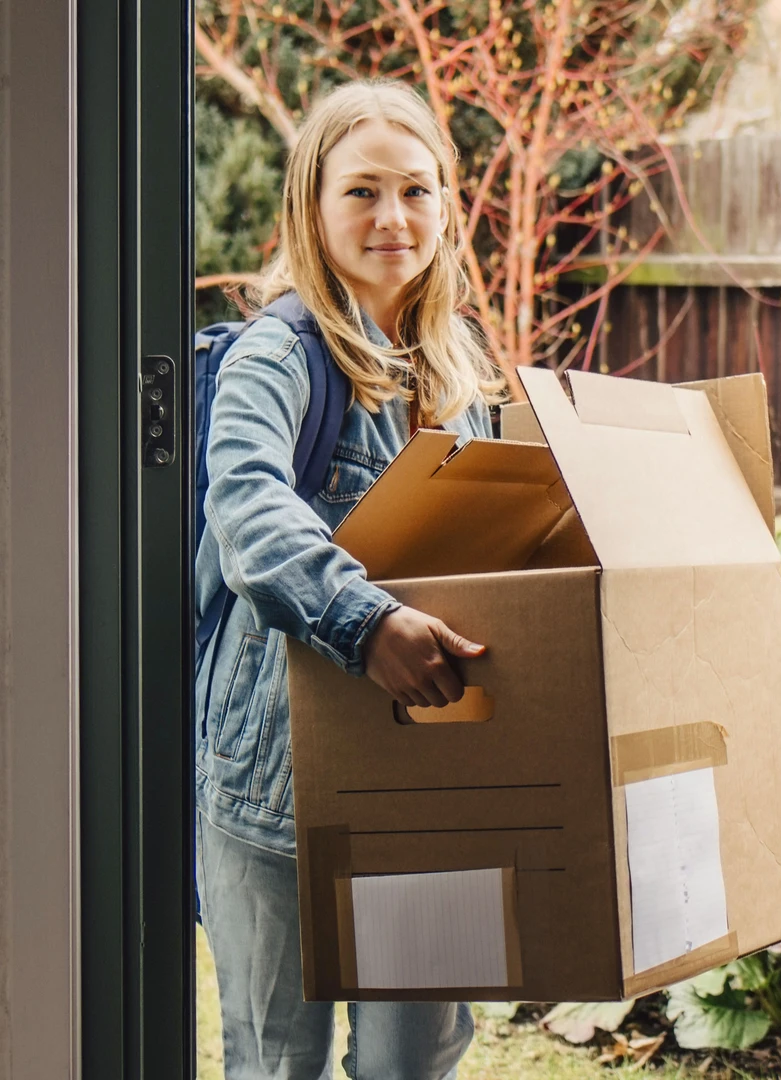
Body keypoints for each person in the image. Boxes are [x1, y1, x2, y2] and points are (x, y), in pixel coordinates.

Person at [195, 78, 504, 1080]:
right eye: (362, 192)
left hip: (432, 776)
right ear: (311, 206)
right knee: (277, 1062)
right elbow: (245, 506)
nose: (392, 218)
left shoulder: (459, 370)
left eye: (415, 191)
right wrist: (369, 626)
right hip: (275, 779)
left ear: (447, 204)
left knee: (412, 1062)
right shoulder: (277, 354)